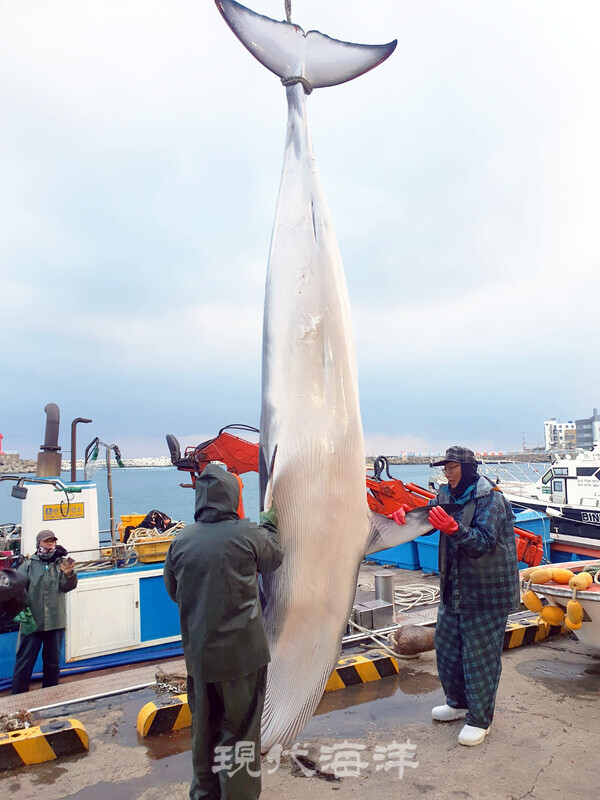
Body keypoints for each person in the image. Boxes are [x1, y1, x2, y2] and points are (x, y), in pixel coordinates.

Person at [163, 463, 283, 800]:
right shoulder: (247, 534)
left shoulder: (181, 541)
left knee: (204, 732)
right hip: (242, 656)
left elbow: (174, 592)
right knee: (241, 734)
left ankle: (204, 794)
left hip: (200, 659)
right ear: (232, 496)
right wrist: (270, 524)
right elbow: (274, 557)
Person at [392, 445, 519, 746]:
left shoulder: (492, 499)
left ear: (468, 468)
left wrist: (453, 529)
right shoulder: (446, 496)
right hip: (455, 588)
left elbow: (483, 543)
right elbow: (426, 520)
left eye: (451, 467)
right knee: (447, 649)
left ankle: (479, 719)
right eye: (444, 468)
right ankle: (458, 703)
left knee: (480, 657)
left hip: (487, 592)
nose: (446, 473)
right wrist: (404, 518)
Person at [11, 529, 78, 694]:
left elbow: (66, 587)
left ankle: (50, 694)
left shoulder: (61, 564)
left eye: (53, 541)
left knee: (52, 661)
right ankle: (17, 695)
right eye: (47, 541)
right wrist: (24, 618)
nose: (50, 544)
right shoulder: (27, 566)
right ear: (39, 543)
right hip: (30, 621)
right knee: (25, 660)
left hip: (55, 620)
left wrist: (69, 574)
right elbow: (16, 592)